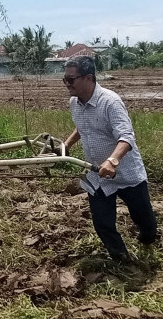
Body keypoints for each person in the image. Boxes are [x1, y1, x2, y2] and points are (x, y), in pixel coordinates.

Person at [62, 56, 157, 262]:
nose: (67, 84)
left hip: (125, 172)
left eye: (71, 80)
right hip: (97, 174)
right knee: (102, 222)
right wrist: (67, 145)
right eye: (65, 80)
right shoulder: (74, 103)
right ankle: (120, 257)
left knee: (145, 221)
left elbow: (126, 136)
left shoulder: (110, 102)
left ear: (88, 78)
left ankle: (147, 237)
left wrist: (112, 160)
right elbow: (83, 126)